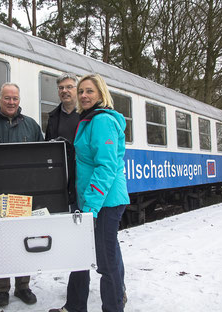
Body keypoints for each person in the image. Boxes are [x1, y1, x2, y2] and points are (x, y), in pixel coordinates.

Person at [49, 74, 130, 312]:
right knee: (90, 253)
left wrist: (90, 208)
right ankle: (75, 306)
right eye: (81, 91)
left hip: (105, 202)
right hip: (95, 200)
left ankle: (113, 307)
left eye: (89, 91)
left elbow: (106, 167)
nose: (84, 95)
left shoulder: (102, 121)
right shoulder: (90, 120)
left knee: (106, 263)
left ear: (101, 94)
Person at [0, 82, 43, 307]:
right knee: (1, 242)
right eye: (7, 98)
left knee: (23, 240)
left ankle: (23, 286)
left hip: (24, 193)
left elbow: (40, 157)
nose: (11, 102)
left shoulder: (31, 125)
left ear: (19, 100)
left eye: (15, 98)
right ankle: (2, 289)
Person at [44, 73, 80, 210]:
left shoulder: (87, 115)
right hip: (60, 179)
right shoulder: (53, 117)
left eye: (69, 87)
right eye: (61, 88)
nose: (64, 91)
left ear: (77, 89)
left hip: (81, 179)